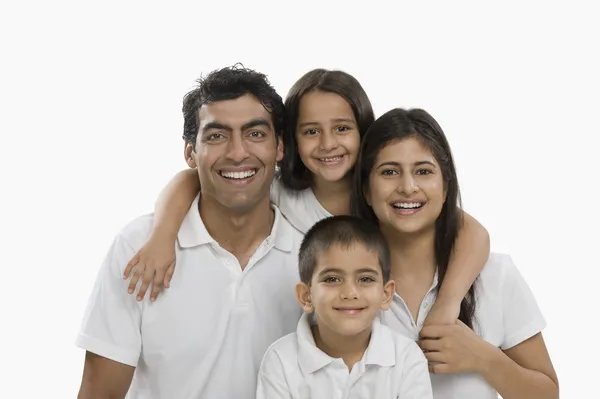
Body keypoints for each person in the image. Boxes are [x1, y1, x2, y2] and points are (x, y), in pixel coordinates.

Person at [123, 68, 491, 329]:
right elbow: (192, 180)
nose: (328, 144)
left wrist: (446, 306)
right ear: (288, 142)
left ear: (365, 132)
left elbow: (470, 232)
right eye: (311, 131)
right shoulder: (277, 190)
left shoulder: (386, 197)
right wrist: (162, 235)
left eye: (343, 129)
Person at [76, 65, 304, 398]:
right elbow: (101, 394)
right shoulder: (137, 248)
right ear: (190, 153)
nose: (238, 152)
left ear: (279, 148)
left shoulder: (312, 259)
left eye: (255, 134)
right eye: (216, 135)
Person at [351, 108, 559, 398]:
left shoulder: (496, 276)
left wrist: (484, 358)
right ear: (366, 190)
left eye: (423, 171)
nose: (408, 187)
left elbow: (548, 394)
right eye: (389, 172)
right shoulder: (343, 288)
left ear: (446, 187)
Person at [256, 215, 433, 398]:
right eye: (332, 279)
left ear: (386, 294)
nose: (350, 293)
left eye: (365, 279)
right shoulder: (280, 360)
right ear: (306, 296)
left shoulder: (406, 358)